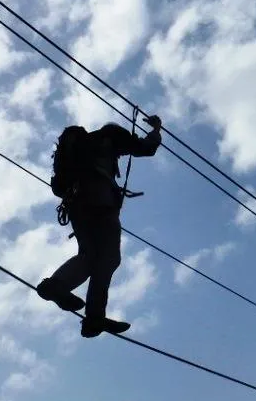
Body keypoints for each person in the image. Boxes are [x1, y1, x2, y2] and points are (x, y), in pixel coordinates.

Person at [36, 115, 162, 337]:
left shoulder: (81, 150)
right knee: (109, 258)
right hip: (100, 202)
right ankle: (94, 317)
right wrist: (156, 129)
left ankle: (57, 286)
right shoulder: (111, 136)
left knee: (89, 255)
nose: (121, 154)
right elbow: (146, 148)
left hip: (76, 204)